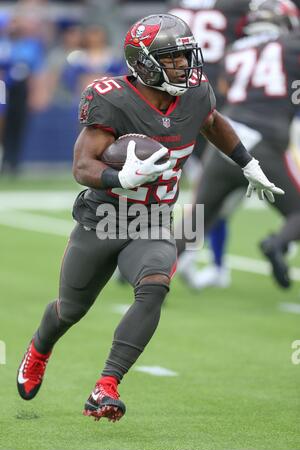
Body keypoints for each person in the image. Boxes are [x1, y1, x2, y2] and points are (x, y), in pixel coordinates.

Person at [17, 13, 283, 422]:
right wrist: (118, 176)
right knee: (70, 310)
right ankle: (39, 349)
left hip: (153, 218)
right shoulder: (111, 98)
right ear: (143, 63)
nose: (185, 66)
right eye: (173, 58)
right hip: (103, 217)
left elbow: (212, 122)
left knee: (156, 283)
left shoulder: (194, 92)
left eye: (185, 56)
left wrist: (247, 163)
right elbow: (82, 166)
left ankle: (106, 385)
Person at [175, 0, 300, 289]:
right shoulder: (290, 45)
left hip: (226, 139)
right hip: (263, 141)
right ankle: (277, 243)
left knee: (197, 219)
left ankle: (149, 270)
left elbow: (229, 91)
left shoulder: (235, 51)